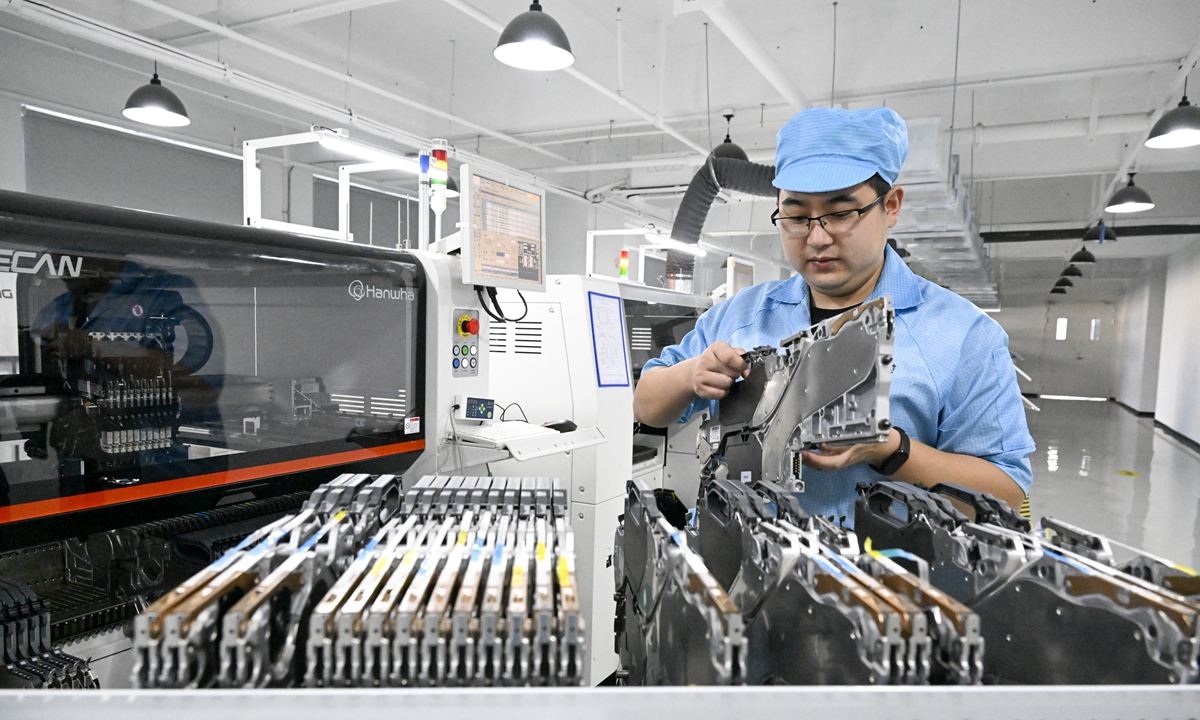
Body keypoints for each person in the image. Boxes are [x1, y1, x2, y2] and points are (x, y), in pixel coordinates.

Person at [633, 106, 1034, 522]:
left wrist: (892, 450)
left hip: (878, 578)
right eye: (796, 216)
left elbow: (1004, 491)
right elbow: (646, 405)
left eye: (841, 213)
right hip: (733, 573)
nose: (817, 237)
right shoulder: (744, 313)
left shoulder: (963, 335)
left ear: (891, 206)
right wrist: (691, 374)